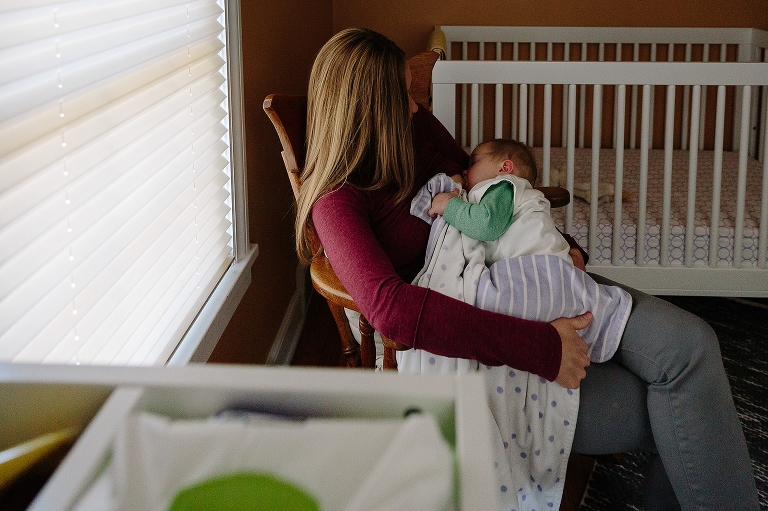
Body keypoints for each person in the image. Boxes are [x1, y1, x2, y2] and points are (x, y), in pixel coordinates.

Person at [297, 28, 760, 510]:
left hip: (529, 271)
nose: (416, 107)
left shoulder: (417, 129)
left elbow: (491, 189)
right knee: (684, 412)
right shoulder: (336, 200)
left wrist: (564, 244)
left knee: (693, 346)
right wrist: (542, 348)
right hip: (476, 321)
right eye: (402, 97)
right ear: (368, 109)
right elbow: (390, 311)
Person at [426, 138, 572, 264]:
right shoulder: (502, 193)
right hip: (538, 262)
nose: (465, 170)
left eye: (473, 163)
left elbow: (486, 225)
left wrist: (449, 206)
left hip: (542, 262)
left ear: (505, 168)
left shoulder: (504, 185)